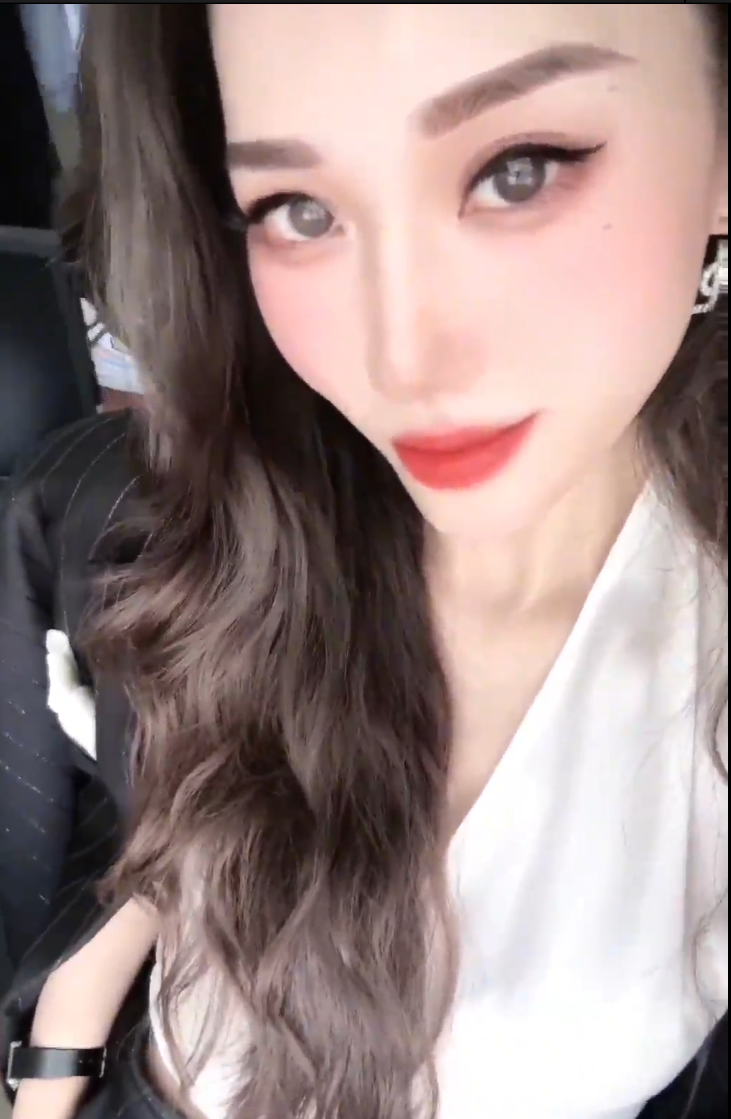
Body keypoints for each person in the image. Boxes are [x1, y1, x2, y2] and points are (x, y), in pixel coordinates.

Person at [0, 4, 728, 1118]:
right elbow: (146, 831)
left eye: (518, 171)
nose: (401, 360)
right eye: (298, 210)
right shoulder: (147, 521)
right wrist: (57, 1049)